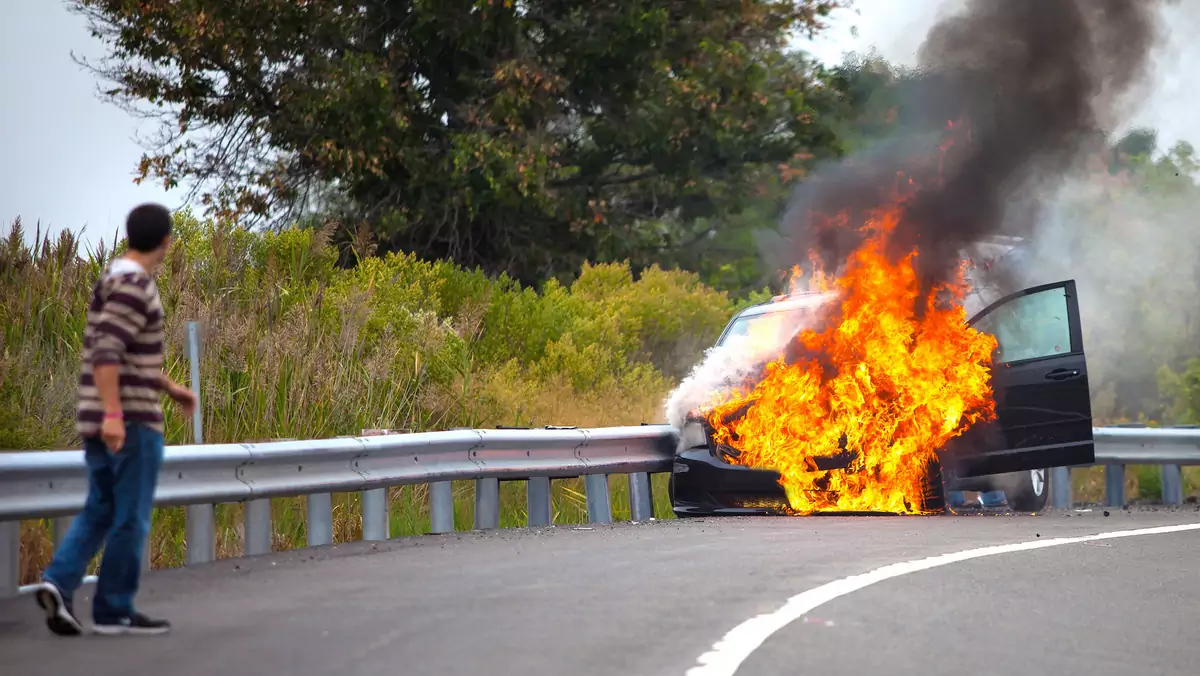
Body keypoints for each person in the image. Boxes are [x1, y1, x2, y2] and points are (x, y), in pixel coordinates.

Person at [32, 203, 196, 637]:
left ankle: (58, 583)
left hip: (100, 415)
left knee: (101, 508)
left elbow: (122, 354)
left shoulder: (111, 279)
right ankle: (114, 609)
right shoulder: (135, 285)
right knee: (131, 515)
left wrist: (171, 388)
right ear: (165, 241)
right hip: (129, 422)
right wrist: (115, 416)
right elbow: (107, 353)